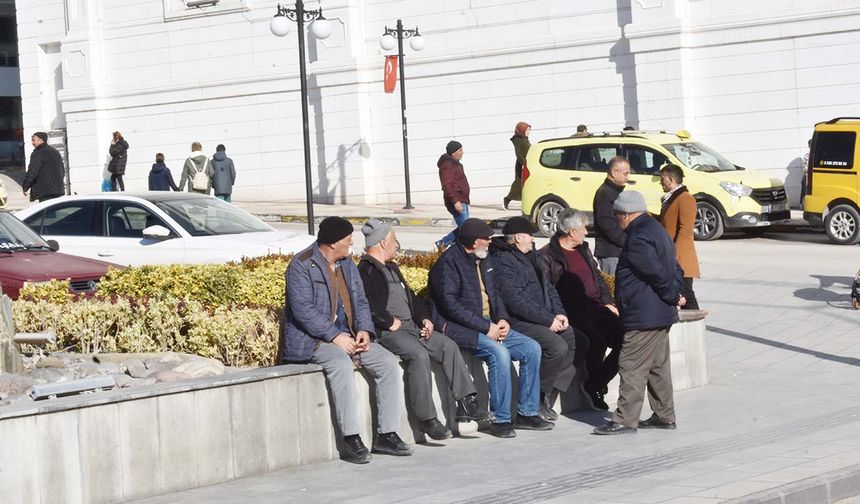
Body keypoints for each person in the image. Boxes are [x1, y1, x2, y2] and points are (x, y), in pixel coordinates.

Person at [281, 216, 412, 464]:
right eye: (347, 239)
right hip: (314, 340)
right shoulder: (301, 264)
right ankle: (351, 439)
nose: (352, 243)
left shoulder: (347, 264)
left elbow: (360, 301)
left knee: (386, 361)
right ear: (332, 243)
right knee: (340, 363)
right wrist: (334, 336)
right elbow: (302, 309)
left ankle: (387, 434)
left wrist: (364, 330)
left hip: (349, 336)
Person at [357, 219, 489, 439]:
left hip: (411, 326)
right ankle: (427, 419)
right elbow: (366, 305)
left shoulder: (392, 267)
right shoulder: (366, 271)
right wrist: (389, 322)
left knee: (447, 345)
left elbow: (412, 300)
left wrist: (425, 319)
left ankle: (467, 402)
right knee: (418, 355)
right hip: (388, 332)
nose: (396, 245)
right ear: (382, 243)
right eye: (393, 240)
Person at [429, 218, 553, 438]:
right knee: (500, 353)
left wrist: (503, 319)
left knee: (531, 348)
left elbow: (495, 294)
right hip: (461, 327)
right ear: (474, 242)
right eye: (485, 239)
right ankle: (500, 419)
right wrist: (486, 327)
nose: (489, 242)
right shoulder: (448, 263)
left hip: (490, 324)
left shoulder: (484, 260)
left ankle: (526, 412)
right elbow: (450, 306)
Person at [594, 191, 684, 435]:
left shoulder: (638, 237)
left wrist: (671, 295)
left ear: (626, 215)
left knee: (631, 364)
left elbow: (656, 273)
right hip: (659, 314)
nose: (617, 222)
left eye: (617, 217)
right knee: (657, 367)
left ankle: (624, 419)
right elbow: (675, 267)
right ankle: (664, 415)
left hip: (645, 315)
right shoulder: (656, 230)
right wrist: (674, 293)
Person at [490, 216, 580, 421]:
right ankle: (535, 399)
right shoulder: (503, 261)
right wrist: (548, 321)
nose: (532, 239)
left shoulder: (531, 256)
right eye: (529, 235)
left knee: (578, 340)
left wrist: (559, 313)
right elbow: (516, 301)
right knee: (556, 347)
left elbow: (548, 288)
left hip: (542, 316)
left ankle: (545, 392)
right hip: (519, 321)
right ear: (518, 237)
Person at [538, 208, 624, 411]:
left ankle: (595, 382)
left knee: (628, 338)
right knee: (596, 341)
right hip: (571, 312)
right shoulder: (546, 256)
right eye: (583, 228)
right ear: (571, 231)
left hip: (595, 306)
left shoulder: (584, 249)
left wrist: (608, 302)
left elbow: (598, 277)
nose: (586, 231)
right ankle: (593, 388)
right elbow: (546, 291)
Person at [659, 164, 700, 310]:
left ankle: (695, 326)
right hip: (672, 256)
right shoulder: (672, 198)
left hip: (681, 258)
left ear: (670, 179)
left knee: (686, 294)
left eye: (662, 178)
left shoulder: (685, 198)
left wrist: (674, 254)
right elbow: (667, 223)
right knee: (681, 294)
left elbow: (686, 230)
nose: (660, 182)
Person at [592, 156, 630, 275]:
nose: (628, 178)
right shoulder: (605, 193)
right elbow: (607, 224)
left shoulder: (614, 191)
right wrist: (627, 242)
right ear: (614, 172)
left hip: (618, 251)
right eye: (625, 174)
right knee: (612, 289)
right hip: (610, 252)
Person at [435, 141, 470, 251]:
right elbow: (447, 185)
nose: (462, 152)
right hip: (456, 201)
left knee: (464, 227)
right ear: (453, 153)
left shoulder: (456, 164)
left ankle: (443, 242)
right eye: (460, 150)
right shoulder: (447, 166)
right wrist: (455, 201)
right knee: (466, 229)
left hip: (462, 200)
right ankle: (465, 250)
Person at [23, 132, 64, 203]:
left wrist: (25, 187)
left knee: (46, 213)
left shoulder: (38, 153)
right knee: (53, 212)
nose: (32, 142)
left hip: (44, 191)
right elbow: (62, 170)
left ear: (41, 140)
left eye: (33, 140)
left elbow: (32, 172)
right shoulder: (55, 152)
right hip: (57, 190)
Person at [504, 122, 530, 210]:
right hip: (521, 164)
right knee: (518, 183)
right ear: (522, 130)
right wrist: (523, 164)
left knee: (527, 183)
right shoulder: (517, 139)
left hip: (527, 163)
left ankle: (527, 203)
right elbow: (518, 153)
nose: (528, 132)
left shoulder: (525, 139)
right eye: (527, 130)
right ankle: (507, 199)